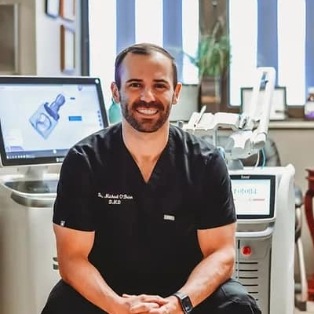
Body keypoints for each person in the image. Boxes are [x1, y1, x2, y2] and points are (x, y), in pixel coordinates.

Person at [41, 43, 261, 314]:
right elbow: (72, 259)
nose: (148, 96)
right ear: (115, 91)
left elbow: (221, 254)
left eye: (159, 85)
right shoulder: (85, 161)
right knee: (62, 304)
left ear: (176, 92)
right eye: (135, 85)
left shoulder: (205, 162)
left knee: (237, 304)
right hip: (107, 294)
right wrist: (118, 307)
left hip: (185, 293)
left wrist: (179, 303)